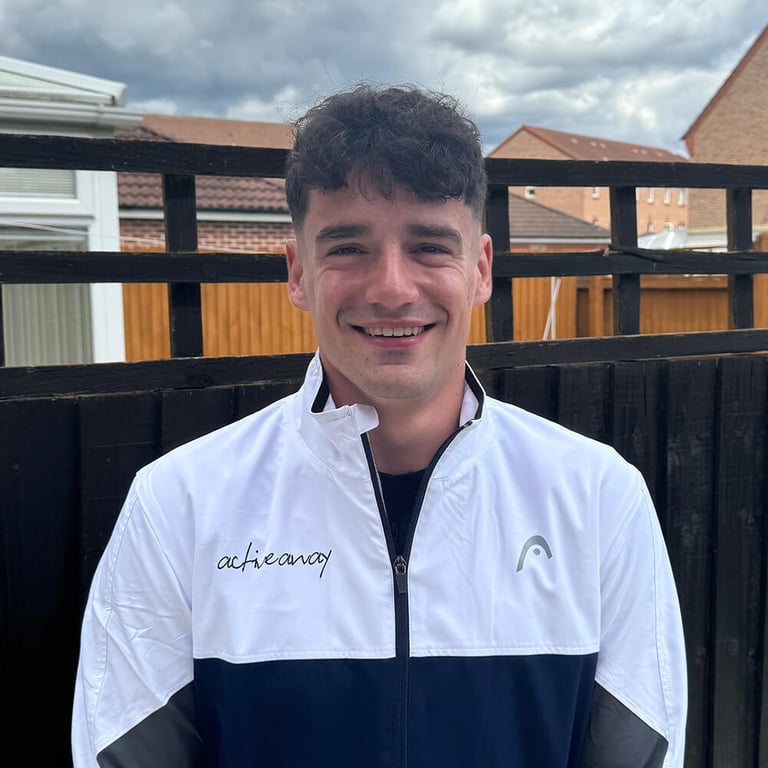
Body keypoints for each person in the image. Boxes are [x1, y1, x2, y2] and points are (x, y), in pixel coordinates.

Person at [72, 83, 687, 767]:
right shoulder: (179, 507)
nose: (392, 286)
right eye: (348, 248)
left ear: (480, 270)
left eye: (429, 246)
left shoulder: (598, 499)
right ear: (298, 273)